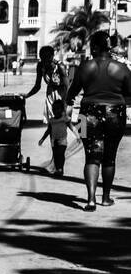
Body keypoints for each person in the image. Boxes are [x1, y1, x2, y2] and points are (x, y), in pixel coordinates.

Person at [64, 30, 131, 210]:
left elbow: (71, 92)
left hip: (86, 114)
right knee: (109, 158)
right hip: (115, 113)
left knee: (91, 157)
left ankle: (91, 199)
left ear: (94, 47)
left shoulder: (84, 67)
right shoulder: (121, 68)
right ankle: (106, 198)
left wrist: (69, 102)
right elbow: (130, 93)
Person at [25, 45, 69, 177]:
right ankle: (56, 162)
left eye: (46, 57)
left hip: (61, 98)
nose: (43, 60)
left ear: (51, 56)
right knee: (52, 130)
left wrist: (65, 105)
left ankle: (60, 166)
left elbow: (68, 86)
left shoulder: (60, 66)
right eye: (41, 57)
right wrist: (26, 96)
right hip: (50, 98)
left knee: (60, 132)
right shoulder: (40, 66)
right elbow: (37, 85)